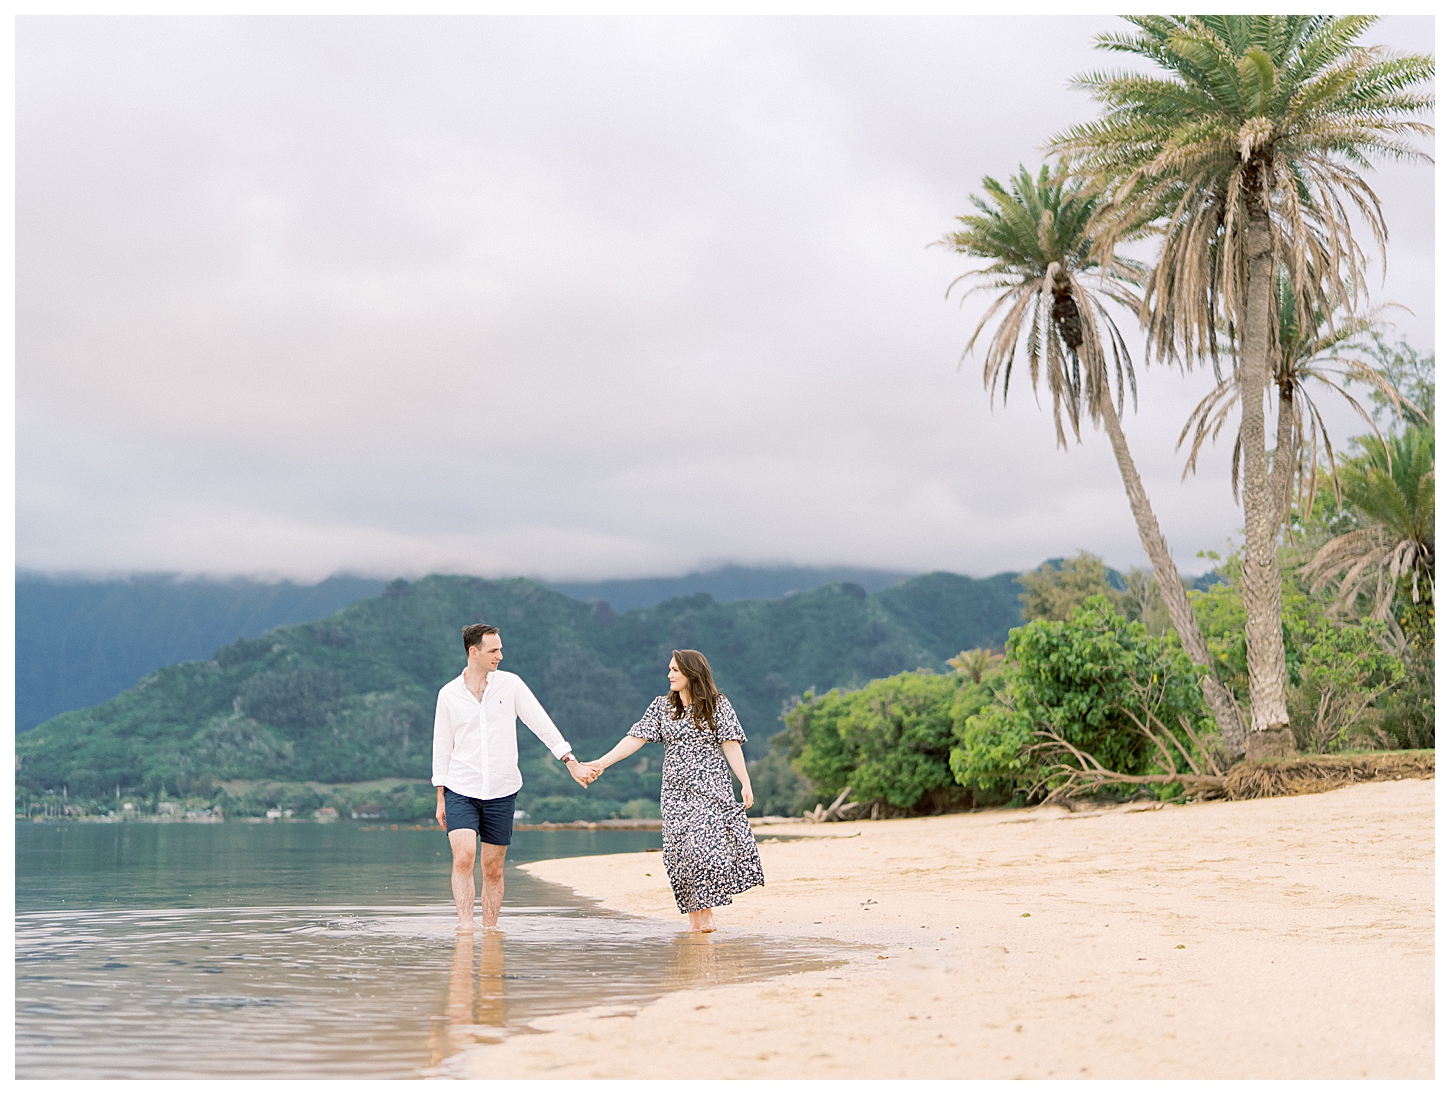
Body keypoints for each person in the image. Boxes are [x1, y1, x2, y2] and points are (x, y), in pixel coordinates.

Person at [580, 649, 764, 932]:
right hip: (675, 793)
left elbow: (731, 743)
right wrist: (602, 763)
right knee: (680, 855)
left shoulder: (718, 705)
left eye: (675, 670)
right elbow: (635, 738)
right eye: (669, 670)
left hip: (711, 789)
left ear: (692, 673)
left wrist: (745, 782)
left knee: (704, 851)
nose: (669, 675)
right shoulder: (661, 707)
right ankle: (696, 920)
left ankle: (708, 911)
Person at [433, 623, 591, 931]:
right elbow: (442, 747)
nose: (500, 656)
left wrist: (570, 760)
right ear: (473, 652)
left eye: (500, 649)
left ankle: (490, 931)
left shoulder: (511, 685)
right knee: (463, 857)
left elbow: (541, 724)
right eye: (493, 650)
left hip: (502, 789)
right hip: (460, 787)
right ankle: (466, 929)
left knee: (492, 868)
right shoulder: (448, 694)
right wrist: (440, 796)